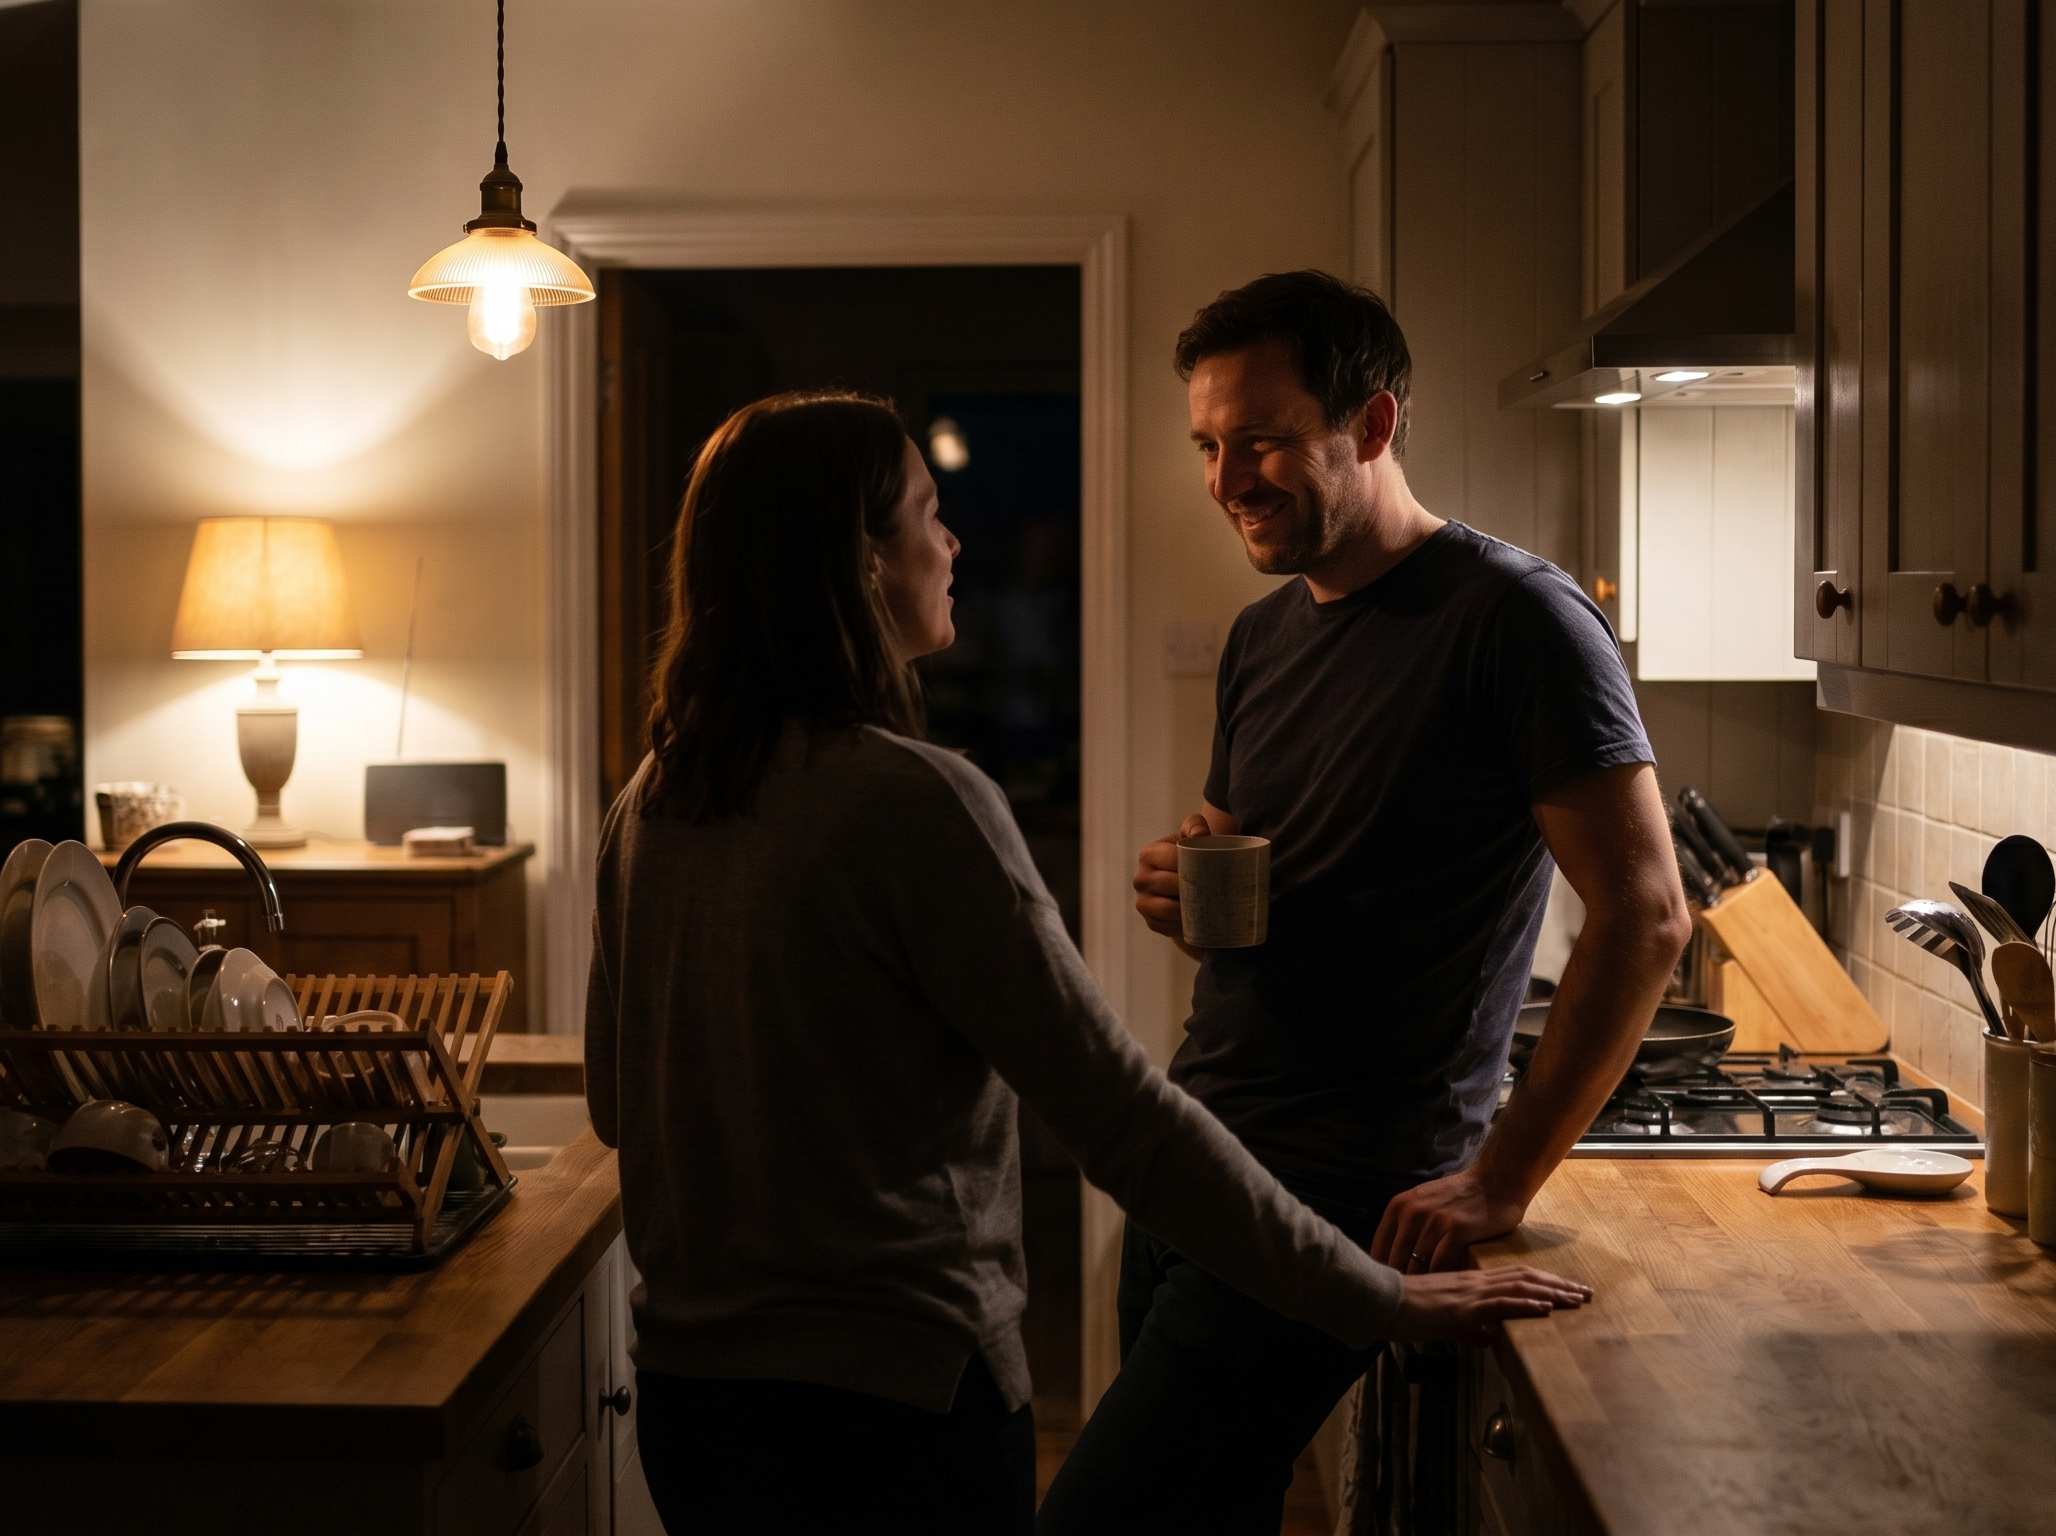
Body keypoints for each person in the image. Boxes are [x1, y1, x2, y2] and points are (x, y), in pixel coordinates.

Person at [585, 390, 1593, 1536]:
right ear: (859, 566)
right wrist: (1382, 1299)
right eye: (926, 513)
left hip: (691, 1410)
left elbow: (621, 1105)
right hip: (895, 1414)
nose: (953, 541)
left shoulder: (648, 802)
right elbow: (1120, 1121)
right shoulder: (919, 806)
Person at [1038, 274, 1688, 1533]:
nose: (1228, 478)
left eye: (1265, 439)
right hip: (1201, 1154)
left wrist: (1503, 1181)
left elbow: (1647, 911)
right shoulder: (1265, 636)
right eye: (1210, 446)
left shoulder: (1516, 619)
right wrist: (1186, 871)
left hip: (1340, 1191)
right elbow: (1263, 849)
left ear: (1374, 426)